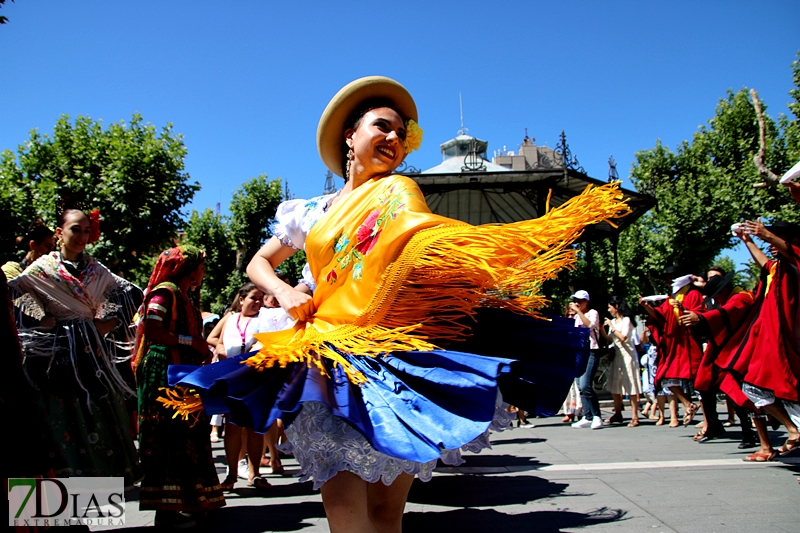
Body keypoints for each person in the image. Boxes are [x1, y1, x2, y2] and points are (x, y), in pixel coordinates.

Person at [165, 76, 627, 532]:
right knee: (344, 511)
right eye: (381, 127)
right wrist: (286, 292)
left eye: (401, 136)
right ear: (351, 135)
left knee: (387, 515)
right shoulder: (310, 212)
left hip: (395, 358)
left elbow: (423, 239)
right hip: (329, 358)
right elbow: (260, 264)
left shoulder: (399, 192)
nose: (393, 139)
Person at [8, 202, 142, 486]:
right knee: (61, 430)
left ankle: (87, 516)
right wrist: (42, 319)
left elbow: (131, 293)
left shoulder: (96, 269)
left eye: (86, 231)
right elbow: (15, 295)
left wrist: (109, 322)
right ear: (59, 232)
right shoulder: (42, 268)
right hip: (55, 362)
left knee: (98, 427)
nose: (82, 237)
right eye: (75, 230)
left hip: (93, 358)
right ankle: (60, 520)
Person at [133, 245, 225, 528]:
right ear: (189, 268)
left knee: (191, 435)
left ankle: (193, 502)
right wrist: (191, 343)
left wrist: (198, 349)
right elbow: (152, 328)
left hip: (184, 372)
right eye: (201, 265)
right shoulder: (165, 292)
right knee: (169, 436)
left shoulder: (186, 296)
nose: (204, 271)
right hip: (166, 372)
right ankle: (168, 509)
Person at [735, 219, 800, 457]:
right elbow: (765, 263)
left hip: (786, 339)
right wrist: (749, 241)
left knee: (787, 387)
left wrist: (766, 235)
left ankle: (793, 430)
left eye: (774, 238)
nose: (770, 243)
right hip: (769, 338)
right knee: (755, 387)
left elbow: (792, 254)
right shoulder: (778, 267)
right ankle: (792, 429)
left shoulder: (794, 262)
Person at [678, 272, 758, 447]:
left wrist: (700, 317)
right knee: (703, 383)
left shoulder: (742, 298)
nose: (717, 299)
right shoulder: (729, 298)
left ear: (726, 289)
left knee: (736, 390)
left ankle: (749, 432)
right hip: (725, 349)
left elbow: (727, 312)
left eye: (718, 294)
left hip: (742, 352)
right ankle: (714, 425)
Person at [207, 282, 272, 490]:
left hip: (256, 378)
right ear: (242, 299)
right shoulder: (229, 318)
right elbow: (211, 337)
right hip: (231, 376)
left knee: (254, 428)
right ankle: (232, 475)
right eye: (254, 298)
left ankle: (255, 474)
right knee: (233, 427)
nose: (258, 302)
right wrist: (219, 346)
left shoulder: (265, 320)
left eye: (261, 298)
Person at [640, 266, 704, 426]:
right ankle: (688, 404)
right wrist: (647, 306)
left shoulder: (693, 294)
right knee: (664, 377)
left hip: (689, 345)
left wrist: (682, 308)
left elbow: (699, 315)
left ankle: (709, 420)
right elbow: (660, 316)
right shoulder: (670, 298)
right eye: (668, 280)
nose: (669, 282)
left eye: (672, 279)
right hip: (674, 347)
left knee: (700, 383)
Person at [601, 296, 642, 427]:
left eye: (610, 307)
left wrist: (612, 326)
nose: (609, 310)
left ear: (616, 306)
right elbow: (610, 340)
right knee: (615, 386)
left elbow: (623, 337)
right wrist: (602, 329)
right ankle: (618, 413)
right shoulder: (613, 321)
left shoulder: (626, 320)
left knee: (630, 385)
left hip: (628, 356)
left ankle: (635, 416)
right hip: (617, 355)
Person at [569, 290, 604, 430]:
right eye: (576, 300)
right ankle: (587, 415)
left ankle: (597, 415)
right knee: (580, 385)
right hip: (580, 352)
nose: (578, 303)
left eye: (580, 301)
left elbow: (589, 325)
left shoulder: (592, 313)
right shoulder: (577, 317)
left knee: (586, 385)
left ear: (586, 302)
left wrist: (578, 311)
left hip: (591, 350)